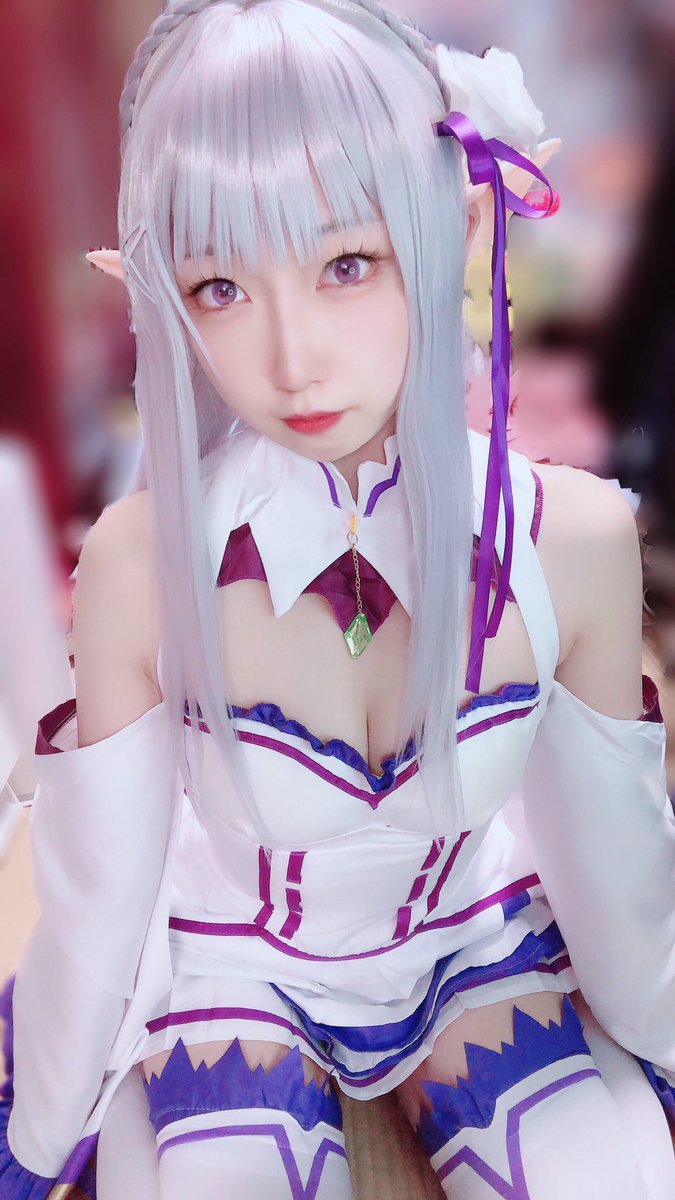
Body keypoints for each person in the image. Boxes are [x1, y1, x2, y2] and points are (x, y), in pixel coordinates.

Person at [1, 2, 675, 1196]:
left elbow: (619, 868)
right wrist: (35, 1137)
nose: (292, 357)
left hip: (476, 947)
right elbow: (103, 902)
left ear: (461, 223)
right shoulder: (142, 562)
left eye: (347, 264)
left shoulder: (568, 537)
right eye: (220, 286)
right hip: (235, 969)